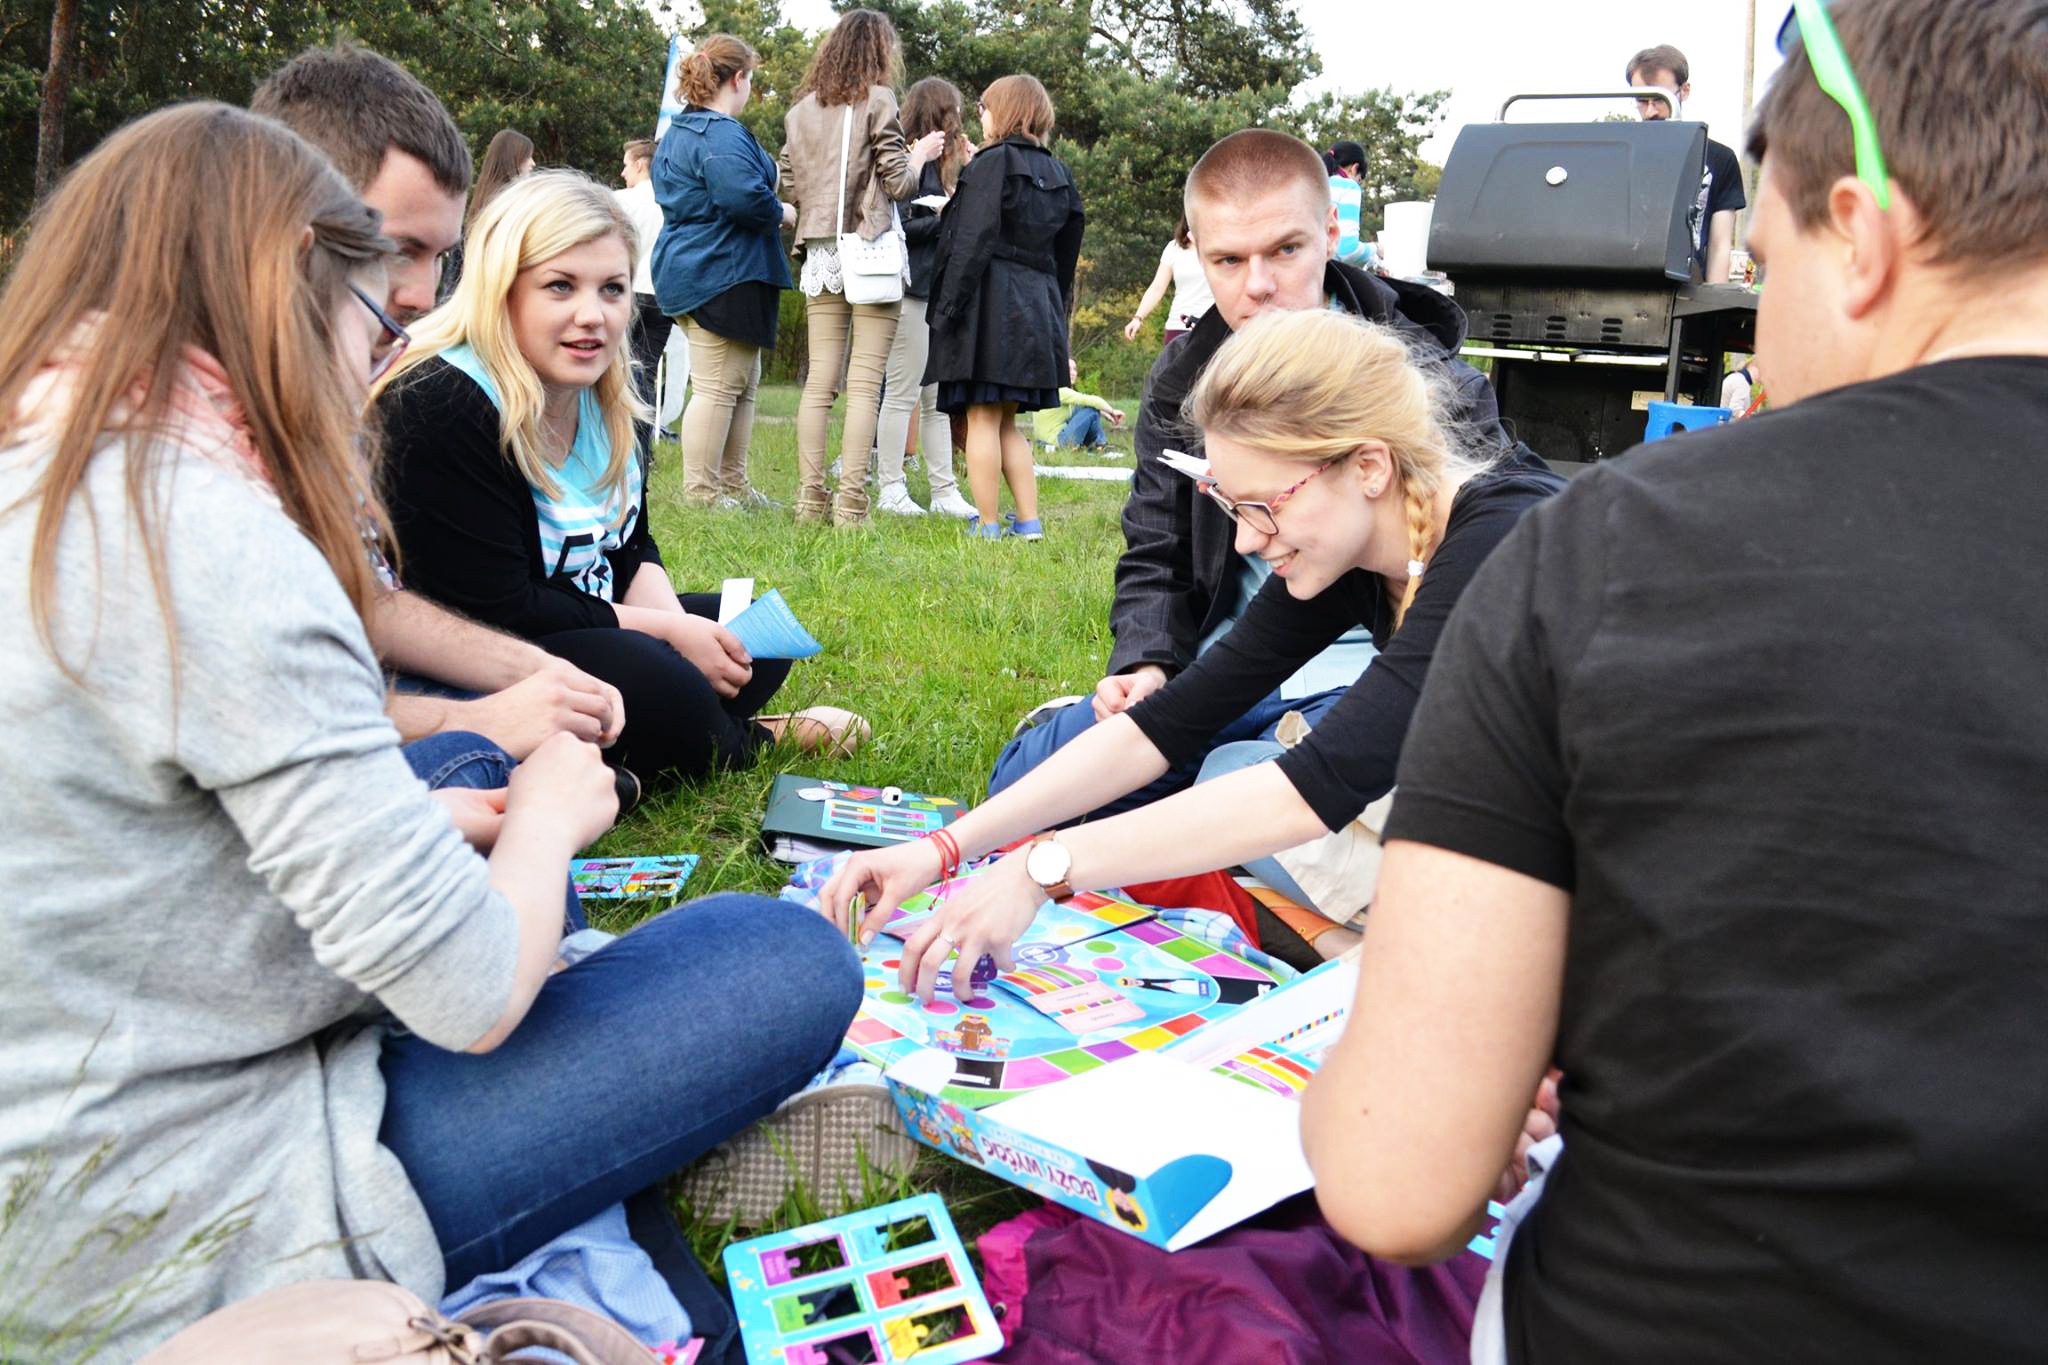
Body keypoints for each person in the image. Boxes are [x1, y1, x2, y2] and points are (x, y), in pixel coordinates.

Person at [0, 102, 863, 1358]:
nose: (387, 336)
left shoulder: (57, 468)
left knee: (469, 772)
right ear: (289, 287)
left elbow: (149, 851)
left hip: (90, 1085)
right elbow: (470, 997)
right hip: (201, 1193)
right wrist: (550, 819)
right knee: (779, 956)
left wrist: (426, 812)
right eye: (374, 302)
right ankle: (635, 1171)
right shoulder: (218, 538)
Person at [1301, 1, 2048, 1360]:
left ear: (1862, 236)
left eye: (1767, 264)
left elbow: (1394, 1182)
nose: (1757, 325)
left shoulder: (1606, 546)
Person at [821, 306, 1561, 986]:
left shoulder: (1506, 544)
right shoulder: (1364, 541)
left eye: (1262, 507)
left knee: (1257, 798)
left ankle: (1388, 959)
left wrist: (1041, 867)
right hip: (1511, 835)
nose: (1245, 541)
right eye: (1232, 508)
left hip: (1588, 885)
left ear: (1368, 467)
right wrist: (943, 849)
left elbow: (1315, 789)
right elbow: (1168, 722)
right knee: (1230, 775)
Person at [991, 128, 1533, 817]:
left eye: (1284, 250)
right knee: (1026, 782)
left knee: (1249, 794)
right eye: (1228, 259)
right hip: (1232, 663)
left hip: (1371, 674)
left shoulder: (1432, 381)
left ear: (1330, 233)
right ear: (1195, 254)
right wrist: (1147, 661)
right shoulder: (1180, 381)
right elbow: (1156, 545)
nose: (1258, 286)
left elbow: (1470, 580)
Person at [376, 170, 868, 781]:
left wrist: (681, 631)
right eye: (560, 286)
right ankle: (749, 740)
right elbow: (502, 605)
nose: (593, 316)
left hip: (589, 617)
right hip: (492, 647)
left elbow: (632, 545)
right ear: (501, 290)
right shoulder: (446, 401)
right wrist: (666, 640)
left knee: (748, 640)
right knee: (660, 682)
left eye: (612, 289)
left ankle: (672, 729)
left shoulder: (611, 393)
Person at [253, 44, 631, 771]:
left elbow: (370, 597)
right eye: (396, 249)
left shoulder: (321, 390)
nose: (424, 295)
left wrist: (535, 674)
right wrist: (479, 723)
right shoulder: (435, 398)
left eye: (440, 257)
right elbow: (258, 701)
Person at [780, 8, 945, 525]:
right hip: (870, 247)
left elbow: (787, 179)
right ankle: (851, 502)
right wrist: (919, 156)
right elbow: (901, 184)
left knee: (819, 382)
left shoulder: (801, 111)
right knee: (865, 382)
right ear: (878, 52)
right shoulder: (879, 99)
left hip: (821, 251)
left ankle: (810, 499)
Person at [923, 74, 1085, 541]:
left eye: (984, 107)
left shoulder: (991, 164)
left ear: (1006, 111)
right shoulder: (1060, 173)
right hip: (1037, 304)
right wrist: (1053, 314)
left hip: (989, 303)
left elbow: (969, 243)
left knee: (982, 417)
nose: (981, 115)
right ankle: (1029, 521)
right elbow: (1067, 254)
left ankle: (989, 523)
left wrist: (946, 310)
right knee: (1008, 420)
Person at [653, 34, 791, 510]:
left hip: (696, 268)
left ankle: (733, 484)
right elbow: (743, 197)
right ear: (739, 78)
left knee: (742, 384)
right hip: (721, 271)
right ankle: (702, 494)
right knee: (717, 387)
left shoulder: (679, 132)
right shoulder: (720, 134)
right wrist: (782, 211)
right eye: (751, 79)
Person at [873, 75, 978, 519]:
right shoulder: (906, 159)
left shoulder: (942, 166)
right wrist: (944, 215)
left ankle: (943, 490)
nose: (960, 122)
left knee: (937, 398)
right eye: (955, 112)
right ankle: (890, 487)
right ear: (939, 114)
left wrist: (966, 177)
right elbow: (897, 224)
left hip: (938, 294)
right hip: (910, 291)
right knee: (902, 393)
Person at [1627, 43, 1746, 282]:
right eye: (1642, 101)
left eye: (1660, 99)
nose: (1650, 112)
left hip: (1687, 289)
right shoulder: (1620, 155)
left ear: (1684, 91)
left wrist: (1714, 301)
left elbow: (1719, 246)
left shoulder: (1720, 159)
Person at [614, 136, 671, 465]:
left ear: (639, 164)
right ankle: (641, 451)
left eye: (626, 165)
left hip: (628, 292)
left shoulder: (621, 201)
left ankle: (615, 445)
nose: (623, 172)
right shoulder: (672, 200)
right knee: (646, 374)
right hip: (662, 295)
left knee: (617, 370)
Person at [438, 129, 535, 301]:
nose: (532, 163)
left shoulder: (484, 201)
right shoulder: (510, 206)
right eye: (527, 156)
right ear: (513, 159)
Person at [1123, 216, 1214, 345]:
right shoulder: (1173, 247)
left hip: (1214, 327)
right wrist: (1138, 318)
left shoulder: (1222, 247)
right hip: (1179, 326)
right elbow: (1157, 288)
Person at [1029, 358, 1125, 450]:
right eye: (1068, 369)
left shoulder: (1051, 388)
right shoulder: (1060, 390)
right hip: (1059, 442)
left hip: (1047, 441)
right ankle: (1102, 444)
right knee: (1091, 411)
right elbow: (1092, 401)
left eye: (1074, 369)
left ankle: (1097, 444)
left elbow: (1081, 406)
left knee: (1086, 409)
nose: (1072, 373)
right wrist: (1112, 411)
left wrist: (1105, 414)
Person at [1325, 142, 1373, 267]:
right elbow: (1347, 251)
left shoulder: (1311, 183)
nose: (1357, 184)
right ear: (1354, 168)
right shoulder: (1348, 186)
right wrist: (1375, 250)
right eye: (1359, 180)